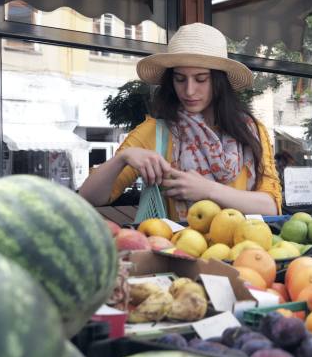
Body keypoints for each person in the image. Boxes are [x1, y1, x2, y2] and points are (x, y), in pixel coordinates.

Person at [79, 23, 282, 219]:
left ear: (219, 81)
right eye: (180, 79)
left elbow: (271, 206)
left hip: (243, 251)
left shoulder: (250, 131)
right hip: (178, 250)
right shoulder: (156, 132)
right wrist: (122, 158)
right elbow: (89, 197)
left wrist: (208, 190)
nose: (189, 90)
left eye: (201, 79)